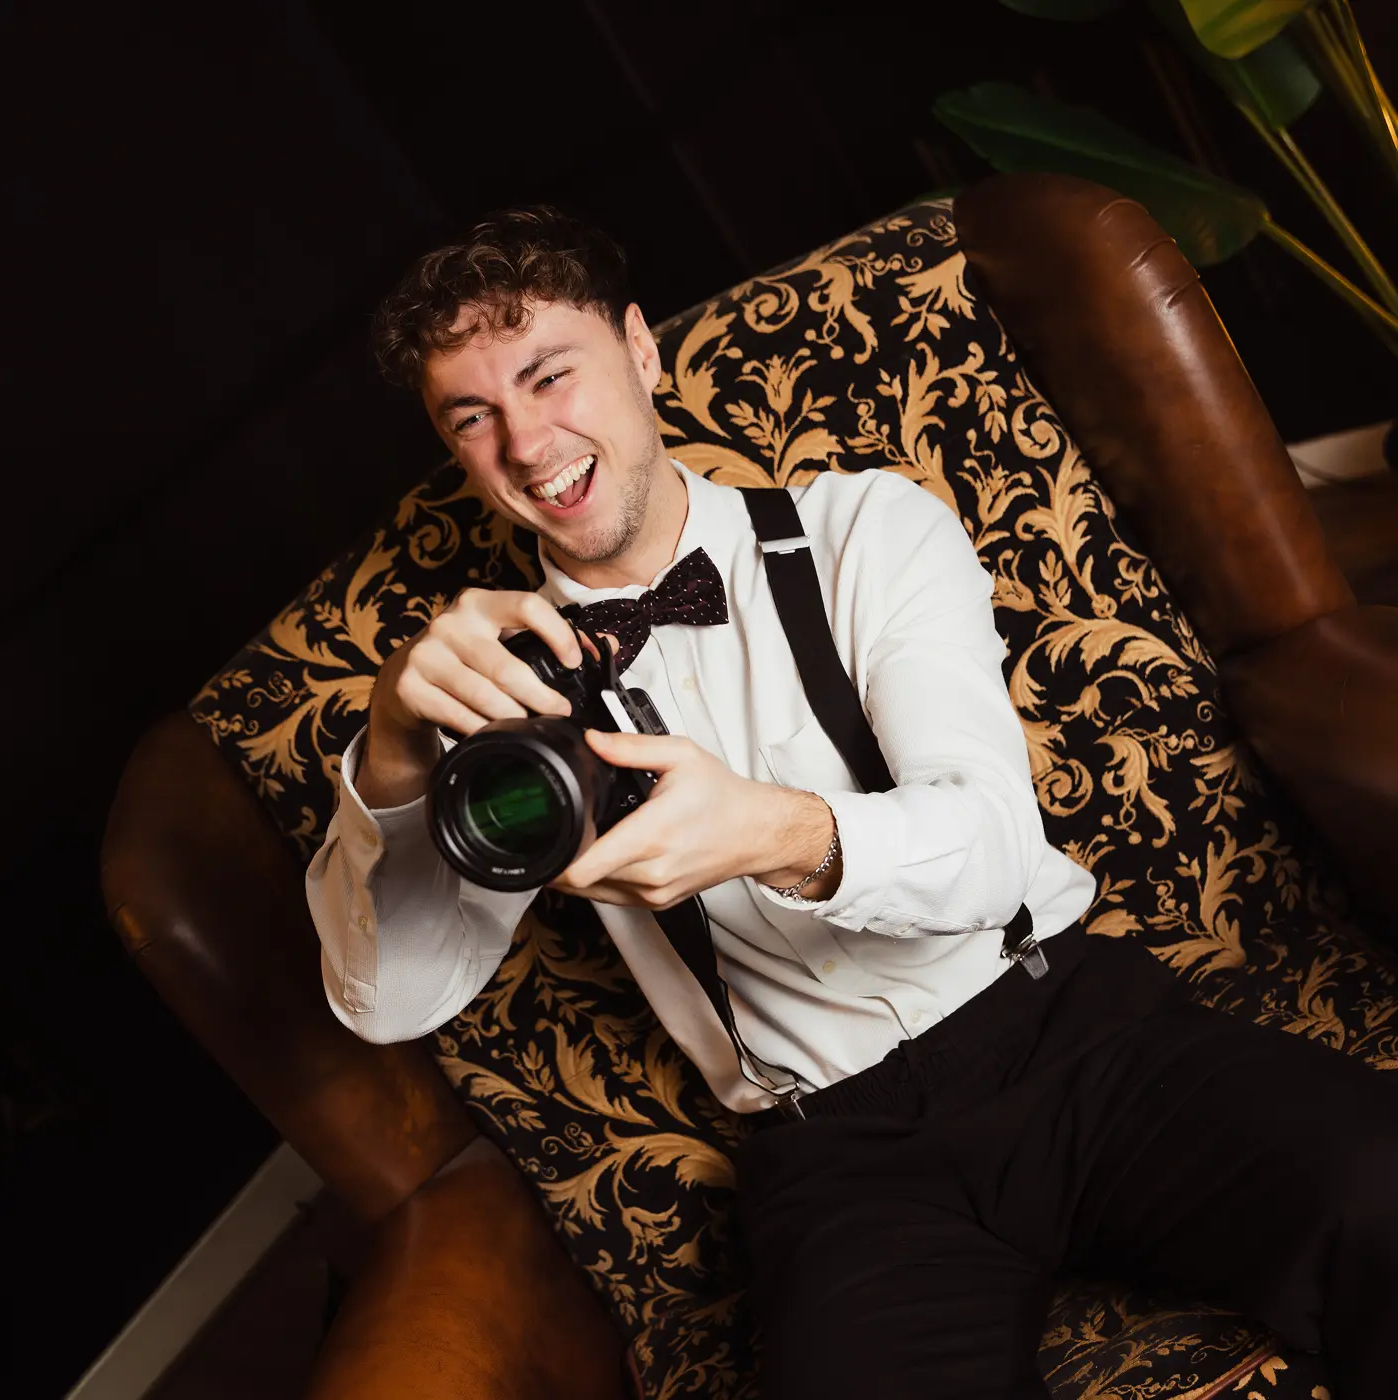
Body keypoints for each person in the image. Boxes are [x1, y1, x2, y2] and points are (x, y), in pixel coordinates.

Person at [306, 206, 1398, 1399]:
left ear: (638, 349)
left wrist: (779, 829)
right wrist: (401, 750)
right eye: (472, 417)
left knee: (1378, 1183)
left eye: (547, 375)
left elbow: (987, 847)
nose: (525, 444)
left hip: (1071, 1035)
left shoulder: (861, 530)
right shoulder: (493, 684)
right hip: (842, 1157)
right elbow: (388, 998)